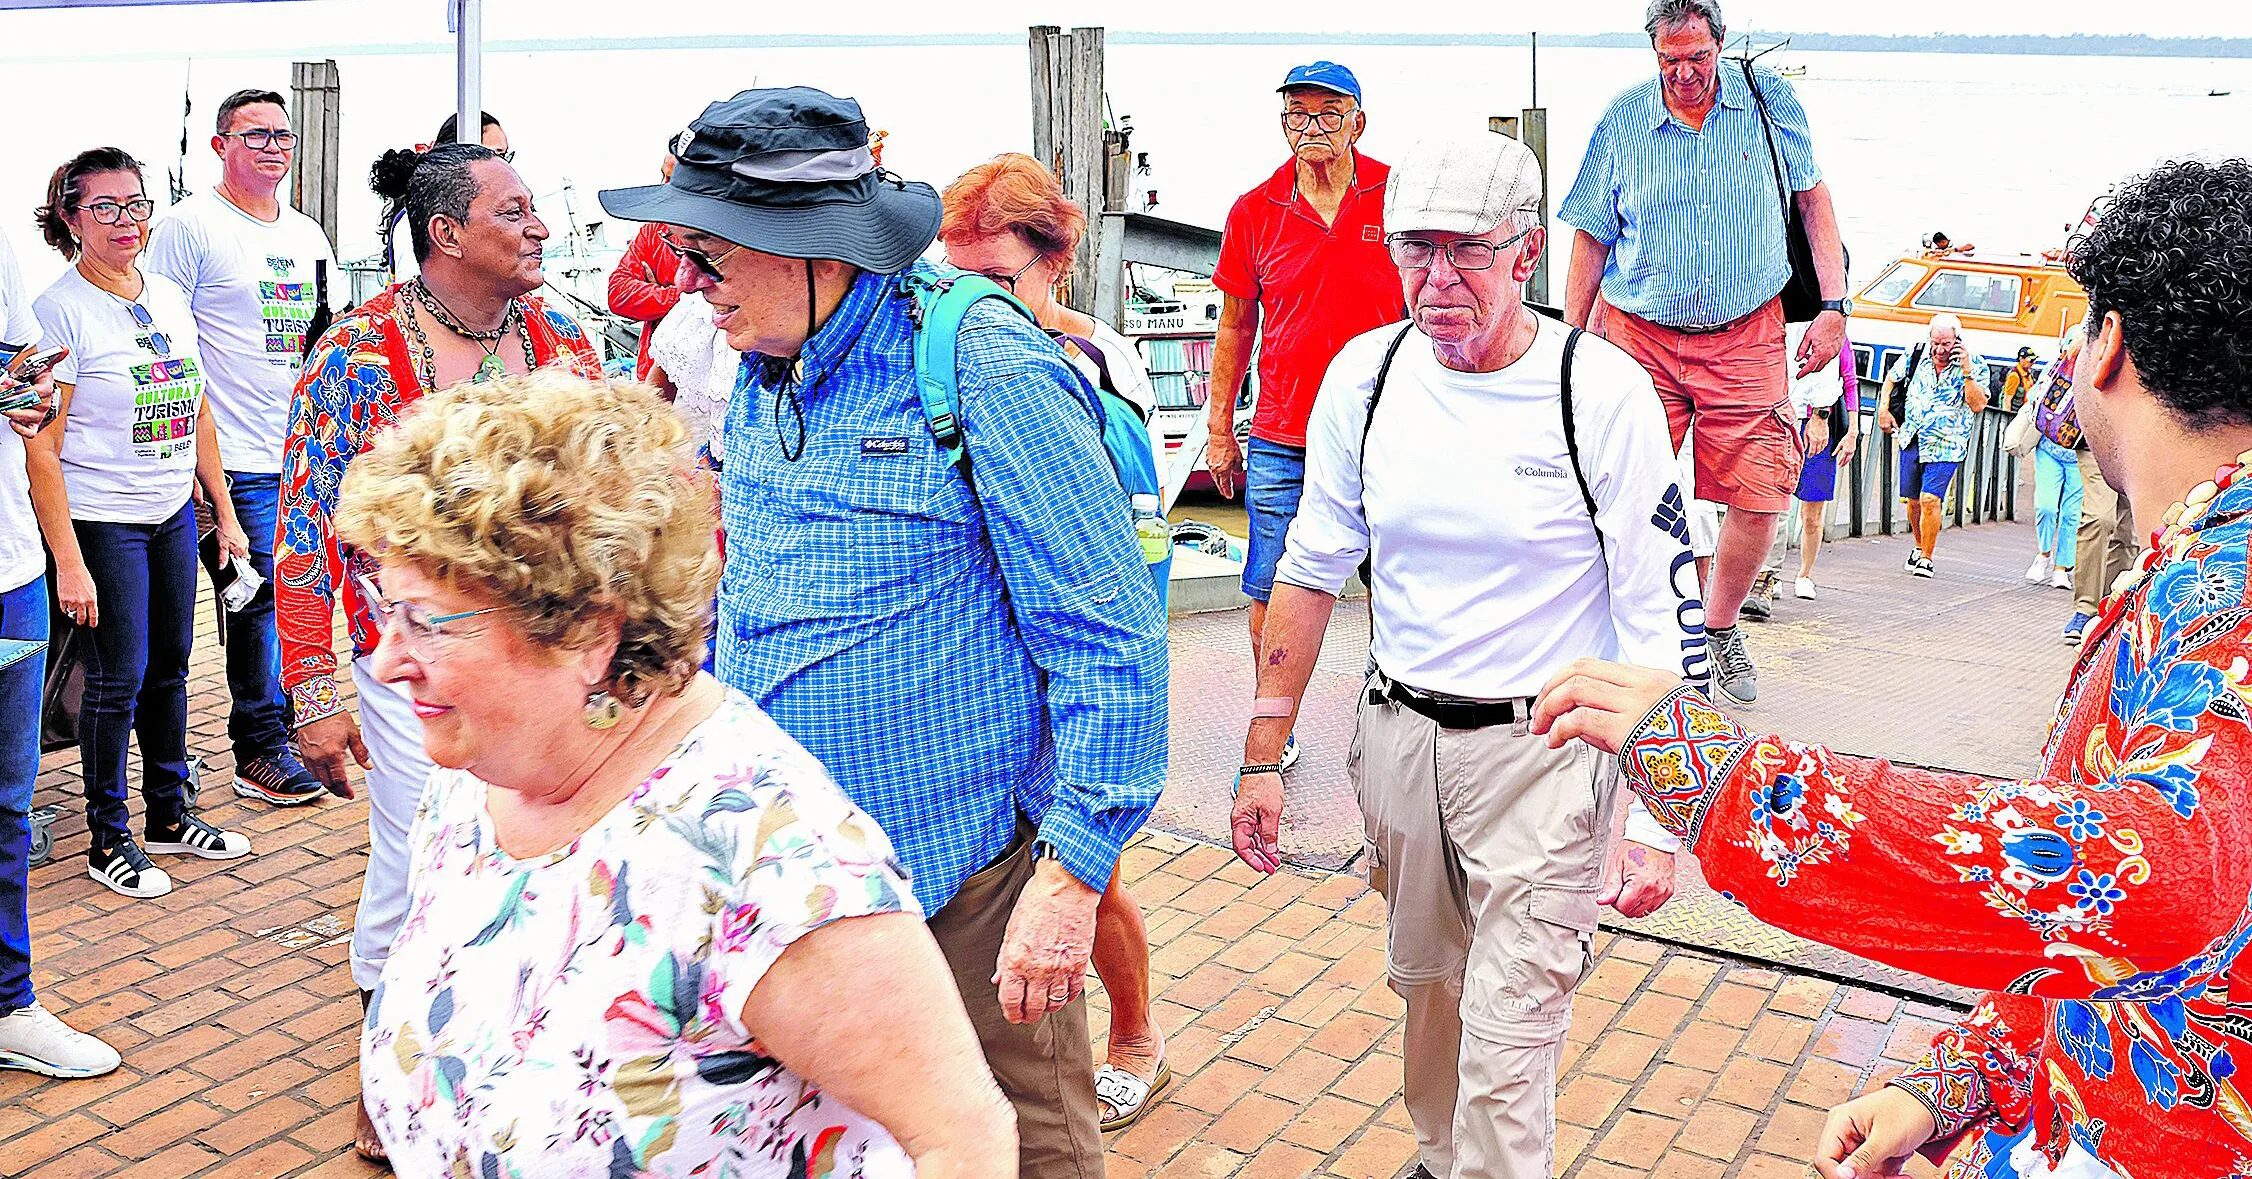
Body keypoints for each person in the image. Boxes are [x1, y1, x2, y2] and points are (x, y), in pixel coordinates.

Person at [1533, 156, 2252, 1179]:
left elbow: (2156, 877)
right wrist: (1951, 1079)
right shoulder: (2196, 560)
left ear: (2108, 350)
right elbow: (2094, 935)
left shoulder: (2227, 592)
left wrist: (1730, 783)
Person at [598, 87, 1167, 1179]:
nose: (685, 281)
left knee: (1020, 1144)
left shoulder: (980, 362)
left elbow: (1111, 634)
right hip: (790, 876)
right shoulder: (760, 360)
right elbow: (752, 588)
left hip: (956, 887)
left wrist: (1070, 878)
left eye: (705, 253)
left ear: (812, 246)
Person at [341, 370, 1015, 1177]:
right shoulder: (475, 775)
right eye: (387, 609)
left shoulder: (765, 862)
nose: (386, 663)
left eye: (425, 621)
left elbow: (963, 1138)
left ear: (589, 628)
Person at [1230, 131, 1700, 1179]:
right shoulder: (1369, 373)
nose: (1435, 283)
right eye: (1413, 252)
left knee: (1511, 1023)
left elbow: (1660, 620)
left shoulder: (1600, 394)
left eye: (1464, 254)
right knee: (1426, 986)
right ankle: (1441, 1160)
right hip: (1397, 741)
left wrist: (1660, 827)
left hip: (1545, 756)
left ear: (1525, 253)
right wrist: (1263, 754)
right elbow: (1310, 567)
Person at [275, 140, 603, 1162]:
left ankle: (507, 1072)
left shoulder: (562, 343)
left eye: (536, 209)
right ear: (446, 232)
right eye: (514, 212)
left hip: (547, 671)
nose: (540, 226)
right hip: (410, 667)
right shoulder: (355, 356)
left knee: (540, 869)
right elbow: (301, 530)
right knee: (416, 872)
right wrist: (314, 690)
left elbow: (609, 504)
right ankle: (383, 1079)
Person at [938, 151, 1173, 1132]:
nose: (973, 303)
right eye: (955, 280)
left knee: (1089, 867)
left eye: (996, 281)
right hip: (988, 661)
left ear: (1055, 260)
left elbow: (1133, 524)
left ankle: (1134, 1038)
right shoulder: (944, 350)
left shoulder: (1096, 359)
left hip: (1070, 650)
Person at [1560, 0, 1849, 706]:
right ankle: (1625, 632)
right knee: (1619, 488)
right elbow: (1592, 235)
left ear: (1720, 44)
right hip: (1640, 335)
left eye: (1697, 56)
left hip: (1748, 331)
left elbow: (1813, 201)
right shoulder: (1623, 118)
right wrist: (1568, 341)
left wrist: (1836, 308)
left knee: (1762, 493)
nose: (1684, 73)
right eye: (1669, 59)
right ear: (1652, 52)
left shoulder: (1767, 98)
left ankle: (1718, 626)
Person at [25, 147, 255, 900]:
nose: (126, 221)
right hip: (103, 519)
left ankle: (168, 811)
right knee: (115, 679)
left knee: (172, 667)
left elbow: (197, 411)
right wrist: (69, 560)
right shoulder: (58, 310)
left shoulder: (164, 294)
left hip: (168, 514)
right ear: (70, 218)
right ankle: (108, 834)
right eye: (105, 208)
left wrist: (221, 511)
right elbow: (43, 448)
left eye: (137, 205)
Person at [1205, 61, 1406, 771]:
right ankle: (1276, 724)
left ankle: (1398, 711)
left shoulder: (1398, 194)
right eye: (1298, 114)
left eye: (1327, 113)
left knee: (1402, 579)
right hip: (1284, 432)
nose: (1311, 128)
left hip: (1388, 429)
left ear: (1359, 121)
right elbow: (1234, 327)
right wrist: (1219, 429)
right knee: (1268, 585)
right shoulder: (1255, 209)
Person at [142, 87, 338, 808]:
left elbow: (322, 334)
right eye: (254, 135)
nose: (272, 147)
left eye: (282, 135)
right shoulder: (190, 226)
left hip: (301, 450)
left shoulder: (307, 232)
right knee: (253, 600)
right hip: (231, 455)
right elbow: (161, 337)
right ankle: (257, 747)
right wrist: (191, 464)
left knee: (299, 591)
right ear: (220, 144)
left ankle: (288, 727)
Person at [0, 229, 121, 1078]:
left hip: (10, 567)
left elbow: (25, 399)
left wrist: (26, 398)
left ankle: (9, 1004)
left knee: (7, 809)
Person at [1876, 313, 1988, 577]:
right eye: (1935, 342)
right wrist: (1883, 409)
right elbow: (1891, 379)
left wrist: (1967, 371)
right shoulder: (1916, 354)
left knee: (1930, 499)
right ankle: (1918, 544)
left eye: (1946, 344)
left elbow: (1978, 404)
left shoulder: (1975, 364)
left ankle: (1927, 557)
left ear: (1957, 341)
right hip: (1913, 436)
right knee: (1913, 501)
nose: (1939, 350)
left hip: (1947, 443)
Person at [375, 111, 510, 285]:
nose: (505, 167)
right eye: (495, 155)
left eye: (506, 156)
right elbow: (413, 298)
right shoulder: (416, 222)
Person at [609, 134, 687, 382]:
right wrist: (679, 297)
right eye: (663, 176)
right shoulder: (654, 230)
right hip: (653, 376)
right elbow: (618, 294)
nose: (663, 186)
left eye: (673, 180)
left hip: (705, 386)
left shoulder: (725, 233)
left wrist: (656, 297)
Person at [2026, 332, 2082, 592]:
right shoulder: (2052, 370)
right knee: (2046, 506)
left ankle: (2062, 569)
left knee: (2072, 515)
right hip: (2049, 448)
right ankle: (2043, 554)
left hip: (2080, 455)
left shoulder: (2095, 374)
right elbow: (2034, 399)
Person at [1999, 345, 2038, 413]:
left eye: (2034, 360)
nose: (2032, 362)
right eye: (2030, 360)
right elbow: (2007, 400)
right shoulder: (2015, 376)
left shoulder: (2029, 375)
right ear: (2021, 359)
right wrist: (2007, 417)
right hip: (2016, 414)